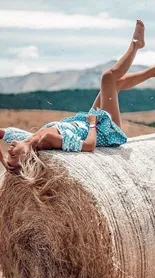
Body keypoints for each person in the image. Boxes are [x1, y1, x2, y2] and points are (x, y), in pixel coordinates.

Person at [0, 19, 153, 173]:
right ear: (25, 158)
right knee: (109, 78)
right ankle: (135, 45)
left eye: (8, 155)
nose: (9, 151)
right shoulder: (46, 140)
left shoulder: (26, 137)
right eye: (12, 157)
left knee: (114, 85)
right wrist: (93, 123)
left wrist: (5, 163)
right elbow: (88, 145)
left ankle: (151, 71)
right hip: (104, 130)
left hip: (89, 121)